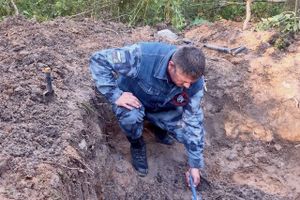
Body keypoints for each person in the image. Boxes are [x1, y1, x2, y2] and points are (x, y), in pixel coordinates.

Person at [89, 42, 206, 187]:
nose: (188, 86)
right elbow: (99, 59)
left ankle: (159, 128)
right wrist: (115, 95)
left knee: (184, 130)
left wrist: (195, 165)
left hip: (163, 109)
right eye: (183, 81)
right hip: (134, 102)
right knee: (130, 117)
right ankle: (137, 144)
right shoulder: (143, 57)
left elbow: (194, 121)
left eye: (191, 82)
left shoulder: (195, 83)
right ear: (171, 66)